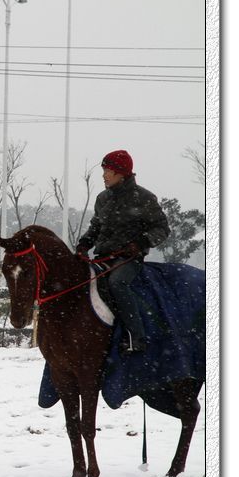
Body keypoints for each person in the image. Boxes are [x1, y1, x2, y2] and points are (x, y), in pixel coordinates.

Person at [75, 149, 170, 354]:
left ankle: (136, 337)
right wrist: (83, 245)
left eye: (107, 170)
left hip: (129, 260)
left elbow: (162, 229)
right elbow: (95, 227)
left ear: (121, 173)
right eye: (103, 170)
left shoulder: (144, 198)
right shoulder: (102, 198)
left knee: (117, 283)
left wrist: (140, 243)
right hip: (103, 258)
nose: (104, 175)